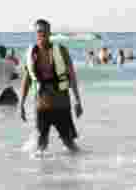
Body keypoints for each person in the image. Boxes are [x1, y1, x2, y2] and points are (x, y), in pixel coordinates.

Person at [20, 19, 83, 152]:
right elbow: (27, 79)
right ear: (36, 33)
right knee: (41, 147)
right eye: (39, 31)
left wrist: (77, 100)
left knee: (69, 144)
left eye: (44, 31)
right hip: (41, 106)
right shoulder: (30, 53)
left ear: (50, 33)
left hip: (61, 104)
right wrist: (21, 103)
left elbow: (72, 76)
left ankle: (79, 168)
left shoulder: (61, 50)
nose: (42, 34)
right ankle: (42, 172)